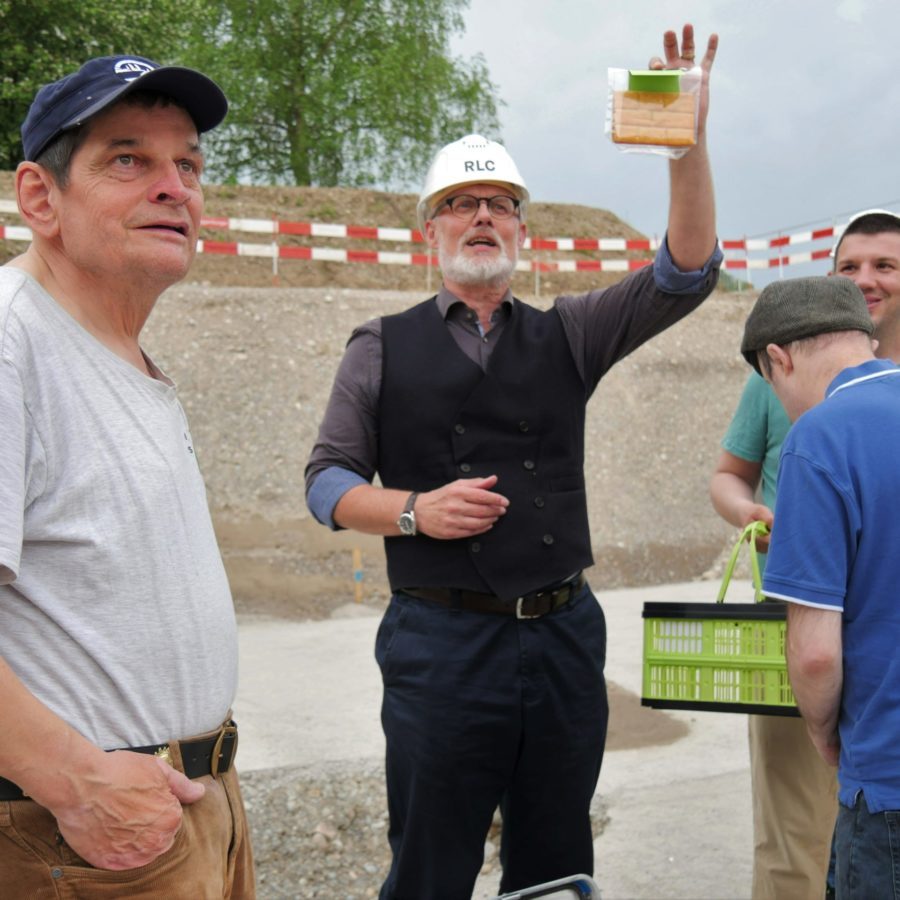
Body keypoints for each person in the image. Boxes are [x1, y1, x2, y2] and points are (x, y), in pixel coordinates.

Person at [305, 24, 721, 899]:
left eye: (500, 202)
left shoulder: (570, 333)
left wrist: (686, 145)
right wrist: (416, 508)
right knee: (430, 861)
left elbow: (684, 273)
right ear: (433, 230)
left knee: (556, 862)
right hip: (440, 643)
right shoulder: (377, 347)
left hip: (563, 636)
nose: (482, 214)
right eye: (463, 201)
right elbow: (328, 482)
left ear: (522, 229)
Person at [0, 56, 255, 896]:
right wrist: (77, 783)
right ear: (40, 198)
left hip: (182, 814)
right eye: (127, 159)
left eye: (187, 164)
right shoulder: (12, 343)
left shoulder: (120, 351)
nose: (174, 187)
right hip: (77, 840)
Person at [709, 208, 900, 900]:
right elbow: (728, 475)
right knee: (793, 835)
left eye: (885, 265)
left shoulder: (820, 430)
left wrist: (825, 731)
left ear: (780, 360)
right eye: (850, 266)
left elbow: (817, 654)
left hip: (873, 752)